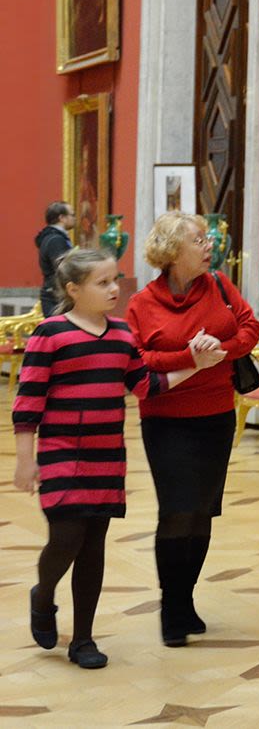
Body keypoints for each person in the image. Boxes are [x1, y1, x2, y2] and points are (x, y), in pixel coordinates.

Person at [14, 248, 199, 670]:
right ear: (73, 289)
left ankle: (83, 639)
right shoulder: (50, 333)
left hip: (107, 456)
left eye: (115, 280)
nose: (115, 289)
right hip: (61, 453)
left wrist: (196, 364)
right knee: (66, 537)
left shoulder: (121, 334)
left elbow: (144, 385)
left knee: (93, 545)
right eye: (103, 282)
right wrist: (25, 460)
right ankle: (43, 595)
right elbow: (28, 402)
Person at [125, 212, 259, 649]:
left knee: (202, 510)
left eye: (207, 239)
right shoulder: (142, 303)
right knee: (176, 511)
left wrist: (222, 349)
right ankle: (171, 605)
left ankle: (185, 600)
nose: (209, 246)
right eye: (199, 240)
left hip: (216, 415)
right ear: (172, 251)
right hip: (165, 419)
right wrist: (190, 357)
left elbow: (251, 328)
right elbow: (138, 360)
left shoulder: (219, 285)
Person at [35, 202, 76, 315]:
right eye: (72, 215)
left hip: (53, 291)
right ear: (62, 218)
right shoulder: (56, 240)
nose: (75, 218)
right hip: (56, 295)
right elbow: (63, 268)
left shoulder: (51, 237)